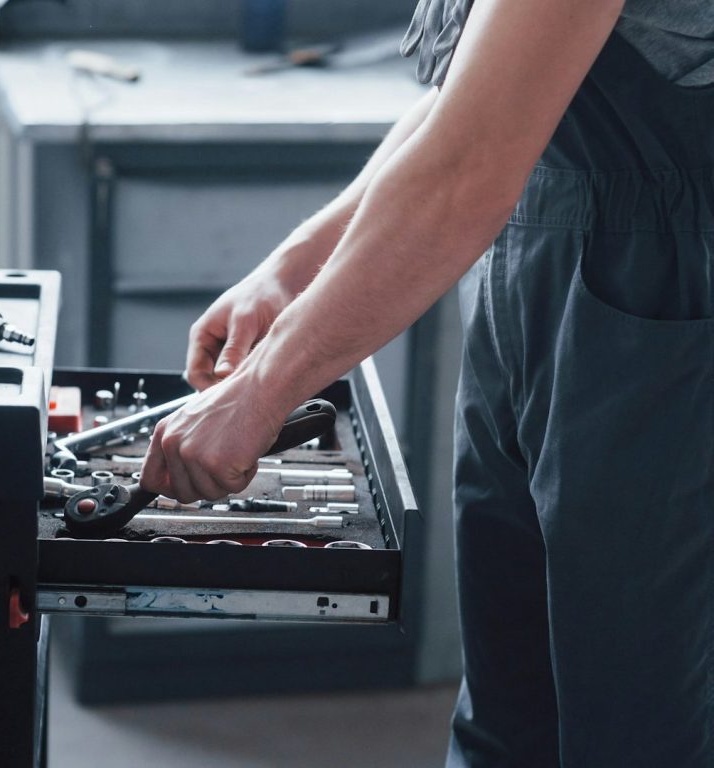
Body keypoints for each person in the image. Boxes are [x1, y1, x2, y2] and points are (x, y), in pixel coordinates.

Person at [141, 1, 714, 765]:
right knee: (510, 710)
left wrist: (260, 391)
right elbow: (473, 107)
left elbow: (470, 166)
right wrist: (297, 265)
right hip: (536, 269)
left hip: (663, 297)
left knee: (634, 722)